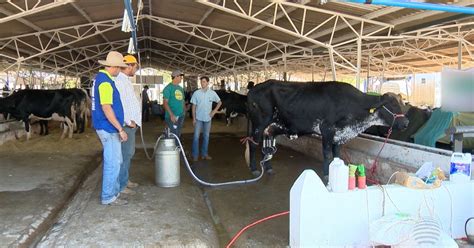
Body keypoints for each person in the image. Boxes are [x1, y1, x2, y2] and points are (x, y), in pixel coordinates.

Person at [92, 51, 128, 206]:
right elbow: (106, 107)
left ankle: (114, 191)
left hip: (106, 126)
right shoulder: (105, 82)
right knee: (112, 163)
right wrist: (120, 128)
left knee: (116, 160)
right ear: (112, 67)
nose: (119, 71)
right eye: (119, 68)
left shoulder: (101, 79)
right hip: (108, 127)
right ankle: (108, 196)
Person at [114, 54, 141, 196]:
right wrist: (127, 121)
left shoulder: (125, 81)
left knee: (128, 153)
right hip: (126, 125)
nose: (136, 69)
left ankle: (125, 179)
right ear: (129, 66)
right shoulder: (120, 81)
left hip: (131, 125)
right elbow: (119, 105)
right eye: (135, 66)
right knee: (125, 154)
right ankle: (122, 184)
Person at [190, 76, 221, 161]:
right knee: (196, 136)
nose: (202, 83)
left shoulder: (212, 93)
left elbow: (219, 102)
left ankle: (204, 154)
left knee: (206, 137)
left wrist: (214, 111)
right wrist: (194, 118)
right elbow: (193, 106)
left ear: (207, 82)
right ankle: (195, 155)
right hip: (198, 118)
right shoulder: (196, 93)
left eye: (204, 82)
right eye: (201, 82)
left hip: (208, 119)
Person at [163, 70, 185, 137]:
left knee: (178, 134)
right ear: (176, 77)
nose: (181, 78)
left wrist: (184, 111)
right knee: (173, 135)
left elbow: (182, 100)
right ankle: (174, 147)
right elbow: (165, 103)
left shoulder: (180, 88)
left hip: (180, 115)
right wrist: (171, 115)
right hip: (172, 116)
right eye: (180, 76)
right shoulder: (168, 88)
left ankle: (177, 147)